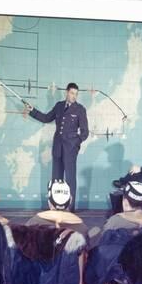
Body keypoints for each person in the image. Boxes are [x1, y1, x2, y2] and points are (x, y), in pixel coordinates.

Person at [25, 82, 89, 212]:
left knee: (70, 179)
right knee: (56, 178)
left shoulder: (80, 109)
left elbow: (84, 132)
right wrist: (33, 111)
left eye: (76, 94)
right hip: (58, 147)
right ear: (66, 92)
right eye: (72, 93)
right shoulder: (59, 106)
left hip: (70, 149)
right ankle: (55, 206)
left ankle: (70, 209)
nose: (74, 96)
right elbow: (46, 118)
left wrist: (75, 144)